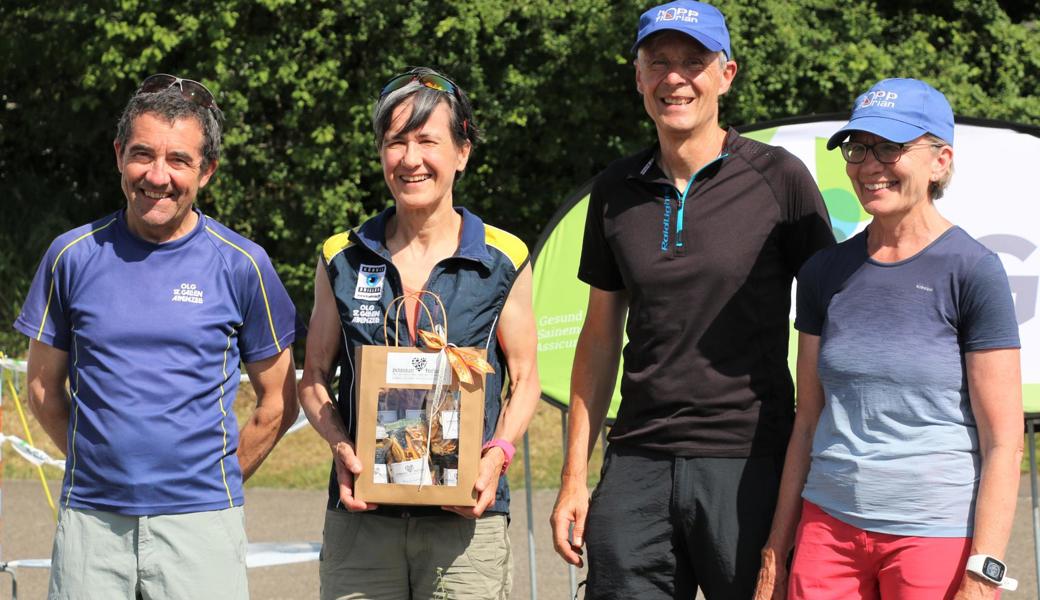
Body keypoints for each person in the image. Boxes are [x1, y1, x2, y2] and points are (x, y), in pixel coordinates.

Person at [549, 1, 835, 598]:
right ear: (638, 76)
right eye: (659, 62)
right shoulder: (614, 190)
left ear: (726, 75)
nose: (675, 78)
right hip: (637, 460)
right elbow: (600, 337)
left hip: (749, 459)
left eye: (694, 62)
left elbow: (832, 325)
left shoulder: (779, 179)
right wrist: (574, 476)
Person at [14, 74, 299, 599]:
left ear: (206, 170)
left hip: (202, 528)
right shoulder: (70, 256)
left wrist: (215, 479)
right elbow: (42, 389)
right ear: (120, 154)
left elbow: (279, 400)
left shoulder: (243, 265)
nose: (157, 176)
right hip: (92, 525)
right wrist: (100, 462)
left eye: (179, 161)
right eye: (142, 154)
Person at [753, 78, 1022, 600]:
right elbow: (808, 421)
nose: (869, 164)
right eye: (858, 148)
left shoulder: (973, 271)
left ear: (940, 161)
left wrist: (982, 574)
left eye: (891, 147)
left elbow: (1003, 443)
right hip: (826, 529)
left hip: (932, 537)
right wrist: (775, 550)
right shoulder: (822, 273)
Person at [297, 66, 540, 600]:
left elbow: (525, 379)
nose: (411, 159)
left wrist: (497, 454)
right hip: (362, 520)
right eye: (395, 142)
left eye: (427, 140)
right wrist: (340, 445)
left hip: (465, 525)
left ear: (462, 152)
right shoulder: (341, 256)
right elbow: (313, 376)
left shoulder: (504, 258)